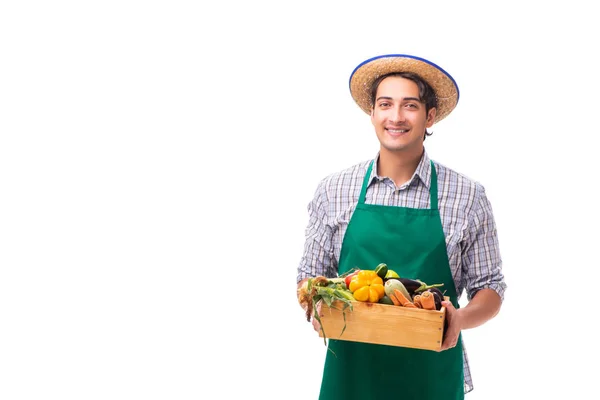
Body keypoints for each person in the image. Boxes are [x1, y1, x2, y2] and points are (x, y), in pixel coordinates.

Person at [296, 54, 507, 400]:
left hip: (431, 374)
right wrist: (316, 304)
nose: (396, 117)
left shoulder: (468, 196)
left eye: (410, 105)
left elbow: (491, 288)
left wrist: (461, 318)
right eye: (385, 104)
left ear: (430, 116)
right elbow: (309, 273)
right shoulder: (334, 190)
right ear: (373, 114)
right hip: (351, 376)